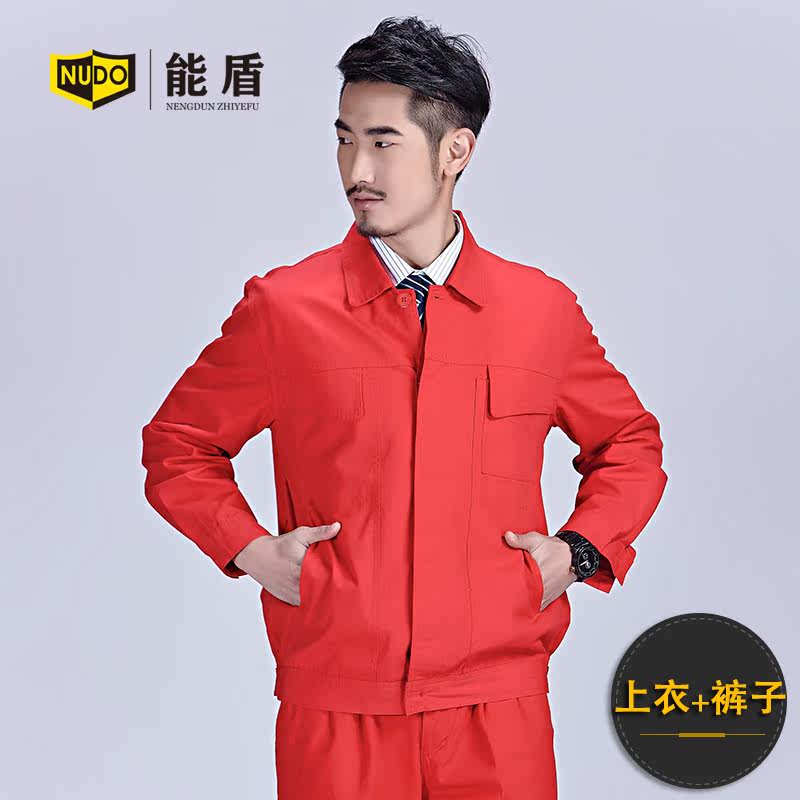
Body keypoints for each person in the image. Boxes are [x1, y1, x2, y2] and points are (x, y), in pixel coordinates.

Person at [141, 15, 668, 799]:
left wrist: (579, 552)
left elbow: (629, 443)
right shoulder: (286, 309)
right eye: (344, 139)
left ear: (456, 150)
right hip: (337, 707)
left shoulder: (540, 312)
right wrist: (251, 550)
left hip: (497, 708)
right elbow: (178, 443)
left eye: (383, 142)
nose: (357, 168)